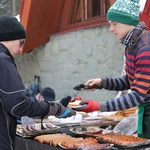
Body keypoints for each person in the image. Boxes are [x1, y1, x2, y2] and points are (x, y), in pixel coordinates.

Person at [74, 0, 150, 139]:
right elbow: (129, 81)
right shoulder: (132, 45)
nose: (111, 29)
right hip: (145, 111)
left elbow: (137, 96)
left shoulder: (145, 49)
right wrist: (102, 83)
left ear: (128, 22)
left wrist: (98, 106)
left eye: (114, 24)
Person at [0, 15, 76, 150]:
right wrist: (55, 108)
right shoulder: (2, 60)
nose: (21, 50)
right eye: (21, 43)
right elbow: (18, 105)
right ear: (8, 38)